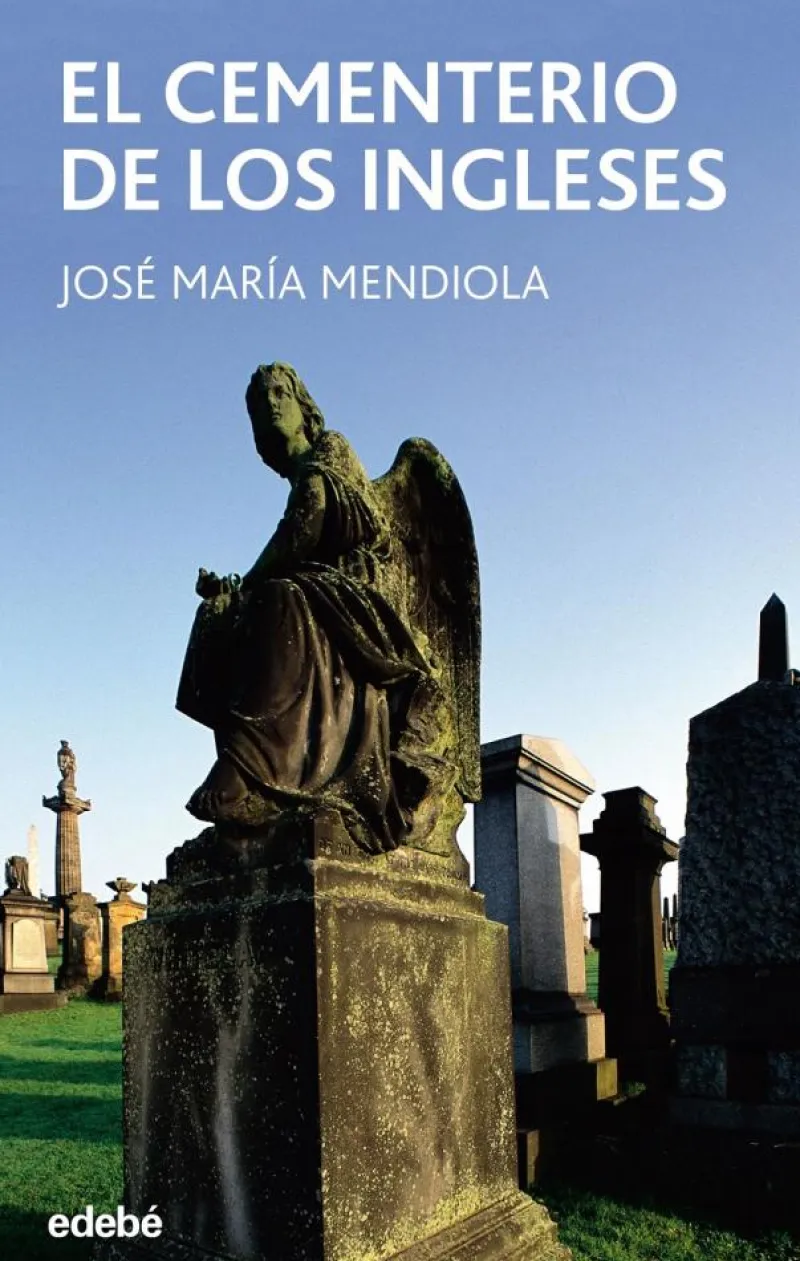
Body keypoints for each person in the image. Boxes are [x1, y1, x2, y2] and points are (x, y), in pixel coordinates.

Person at [177, 362, 467, 853]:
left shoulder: (331, 450)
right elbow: (296, 542)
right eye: (258, 403)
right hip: (323, 589)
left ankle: (253, 769)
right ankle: (257, 773)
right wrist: (233, 591)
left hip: (367, 598)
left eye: (279, 394)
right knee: (221, 616)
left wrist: (247, 582)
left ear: (303, 407)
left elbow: (308, 527)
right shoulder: (301, 478)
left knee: (280, 600)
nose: (269, 406)